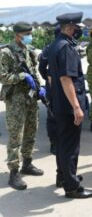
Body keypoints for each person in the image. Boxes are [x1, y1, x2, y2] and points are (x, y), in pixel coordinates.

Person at [48, 12, 92, 199]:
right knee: (70, 146)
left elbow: (53, 78)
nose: (79, 31)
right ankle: (72, 187)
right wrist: (76, 107)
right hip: (68, 106)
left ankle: (64, 176)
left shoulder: (55, 45)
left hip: (60, 103)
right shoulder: (66, 47)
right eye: (77, 28)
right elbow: (66, 78)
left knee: (62, 144)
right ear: (69, 27)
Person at [0, 22, 45, 190]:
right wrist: (21, 76)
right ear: (17, 34)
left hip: (30, 99)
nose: (29, 36)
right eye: (26, 33)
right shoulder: (6, 52)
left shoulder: (29, 50)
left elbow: (34, 72)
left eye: (30, 33)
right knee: (15, 136)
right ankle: (13, 172)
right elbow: (3, 77)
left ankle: (27, 163)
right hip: (16, 100)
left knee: (31, 131)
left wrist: (40, 87)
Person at [38, 26, 61, 154]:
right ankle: (54, 142)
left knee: (54, 114)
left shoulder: (50, 47)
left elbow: (42, 67)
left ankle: (56, 142)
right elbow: (42, 66)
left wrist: (47, 76)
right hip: (55, 86)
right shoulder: (51, 48)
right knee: (53, 115)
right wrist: (47, 77)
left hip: (55, 84)